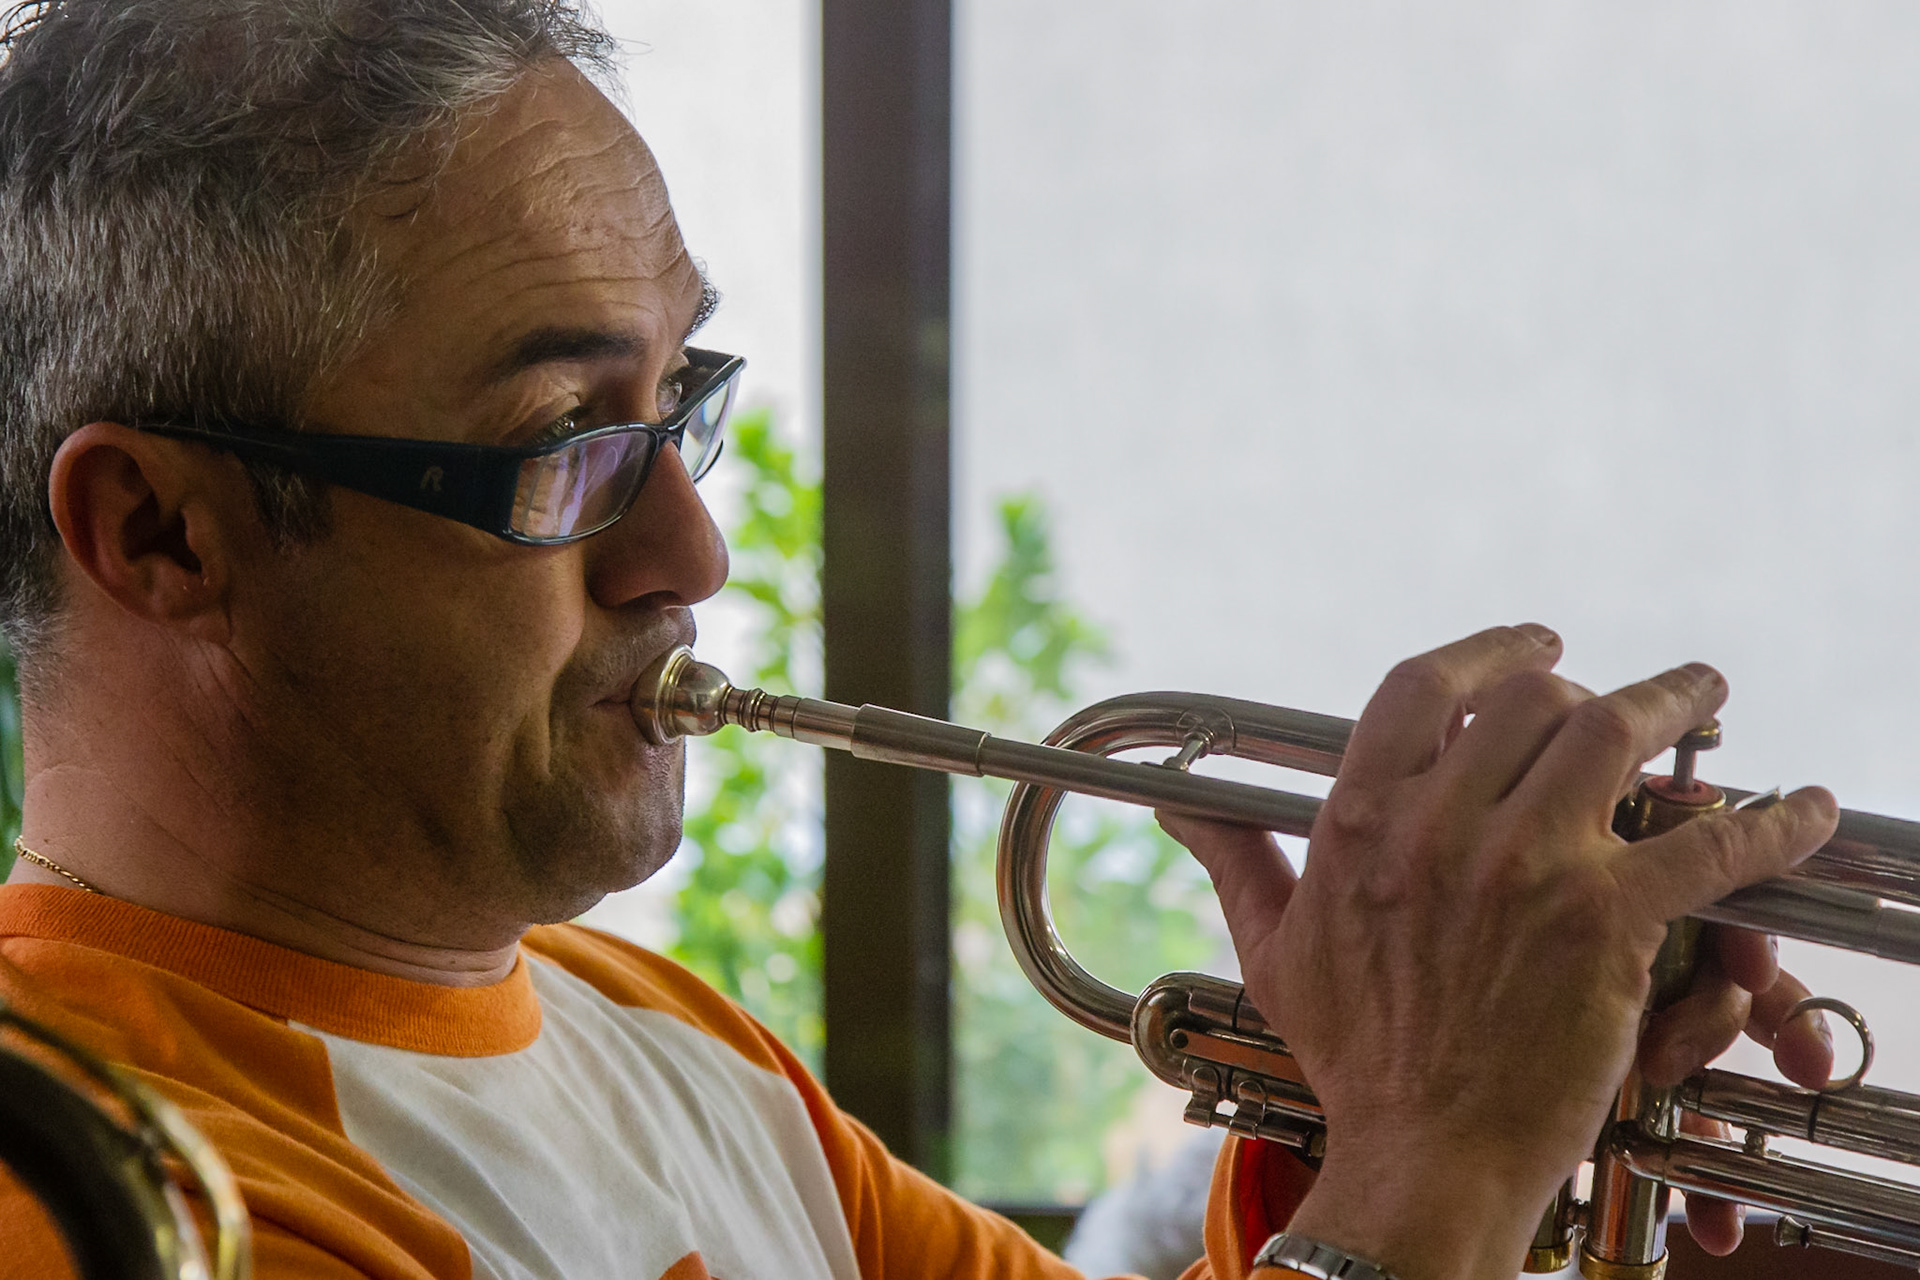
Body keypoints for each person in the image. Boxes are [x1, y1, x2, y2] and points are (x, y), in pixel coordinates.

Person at [0, 3, 1840, 1277]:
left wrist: (1381, 1103)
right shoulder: (83, 1188)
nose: (688, 545)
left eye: (679, 410)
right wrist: (1439, 1158)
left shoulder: (659, 1039)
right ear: (162, 533)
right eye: (568, 443)